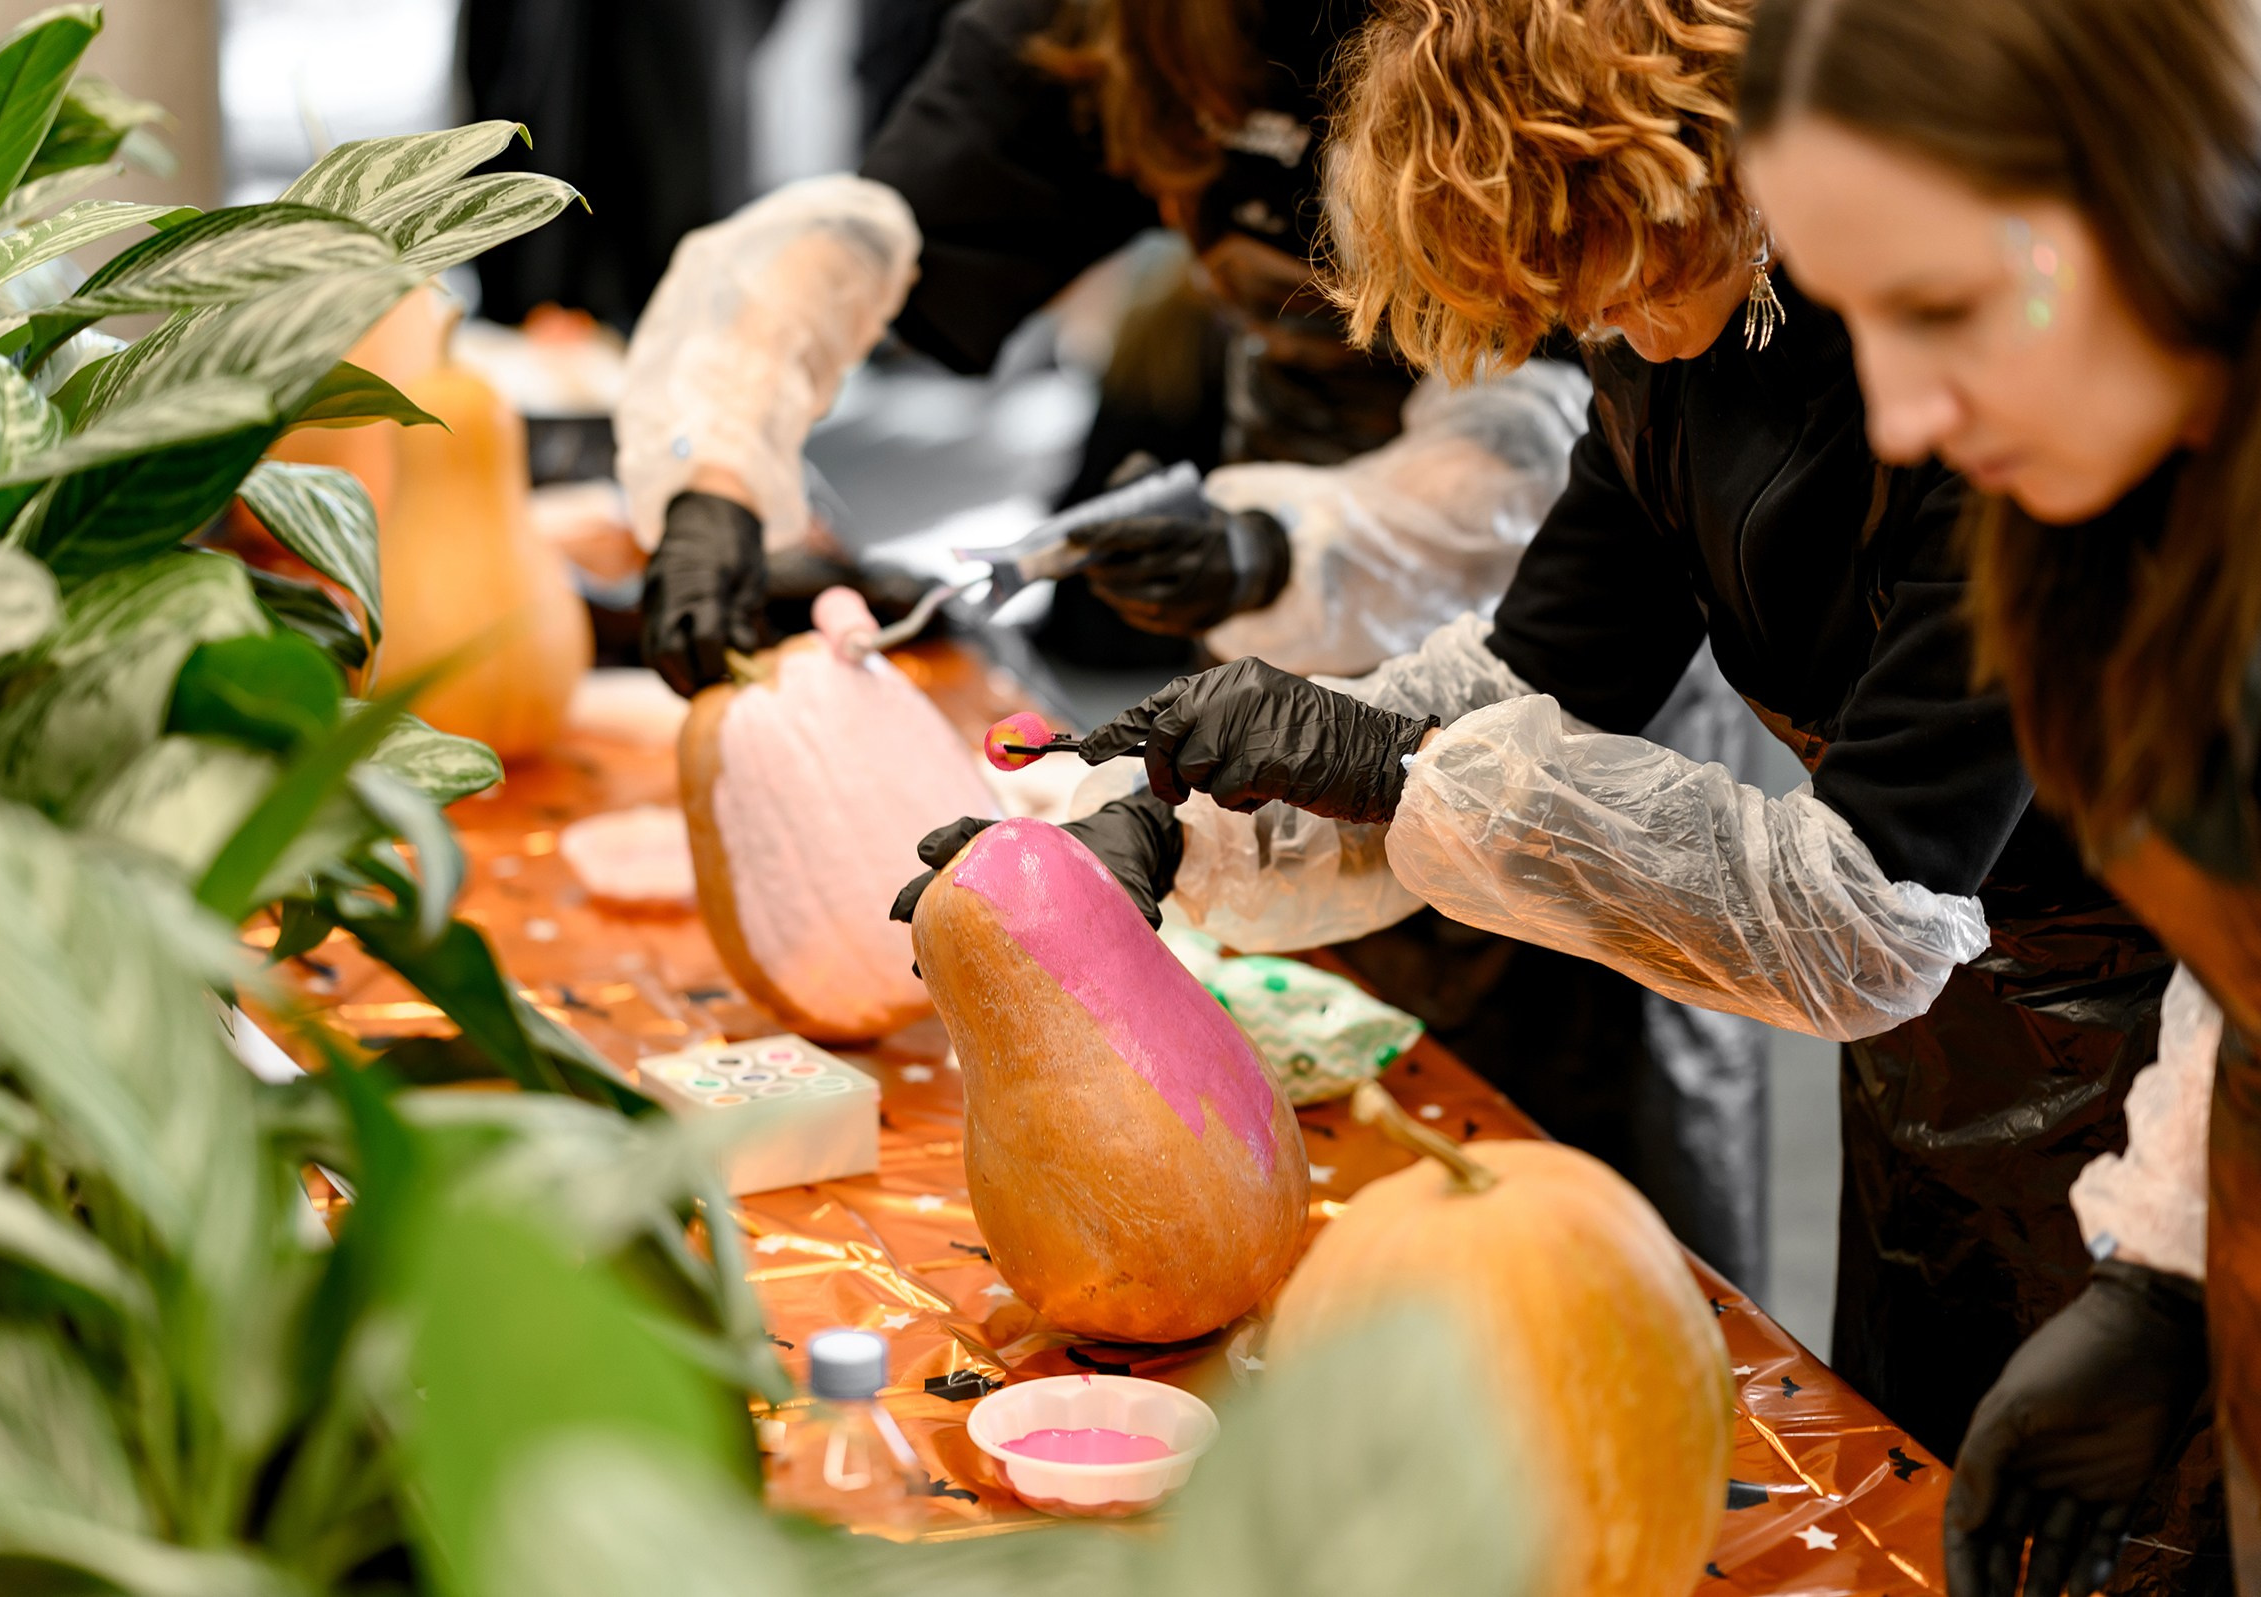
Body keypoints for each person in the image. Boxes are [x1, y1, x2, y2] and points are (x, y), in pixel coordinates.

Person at [895, 0, 2208, 1586]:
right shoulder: (1655, 351)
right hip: (1930, 1081)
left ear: (1688, 161)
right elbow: (1522, 685)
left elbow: (1859, 906)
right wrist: (1172, 802)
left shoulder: (1984, 391)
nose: (1615, 327)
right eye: (1564, 301)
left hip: (2150, 1051)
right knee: (1919, 1506)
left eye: (1621, 270)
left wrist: (2158, 1279)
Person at [618, 0, 1777, 1287]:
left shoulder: (1548, 73)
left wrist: (1286, 552)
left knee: (1584, 1210)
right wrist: (714, 466)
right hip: (1312, 620)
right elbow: (863, 235)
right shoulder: (1120, 27)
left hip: (1585, 654)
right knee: (1326, 1154)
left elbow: (1580, 463)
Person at [1738, 0, 2261, 1586]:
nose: (1902, 417)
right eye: (1860, 323)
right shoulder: (2115, 507)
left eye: (1948, 306)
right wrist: (2174, 1273)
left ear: (2152, 187)